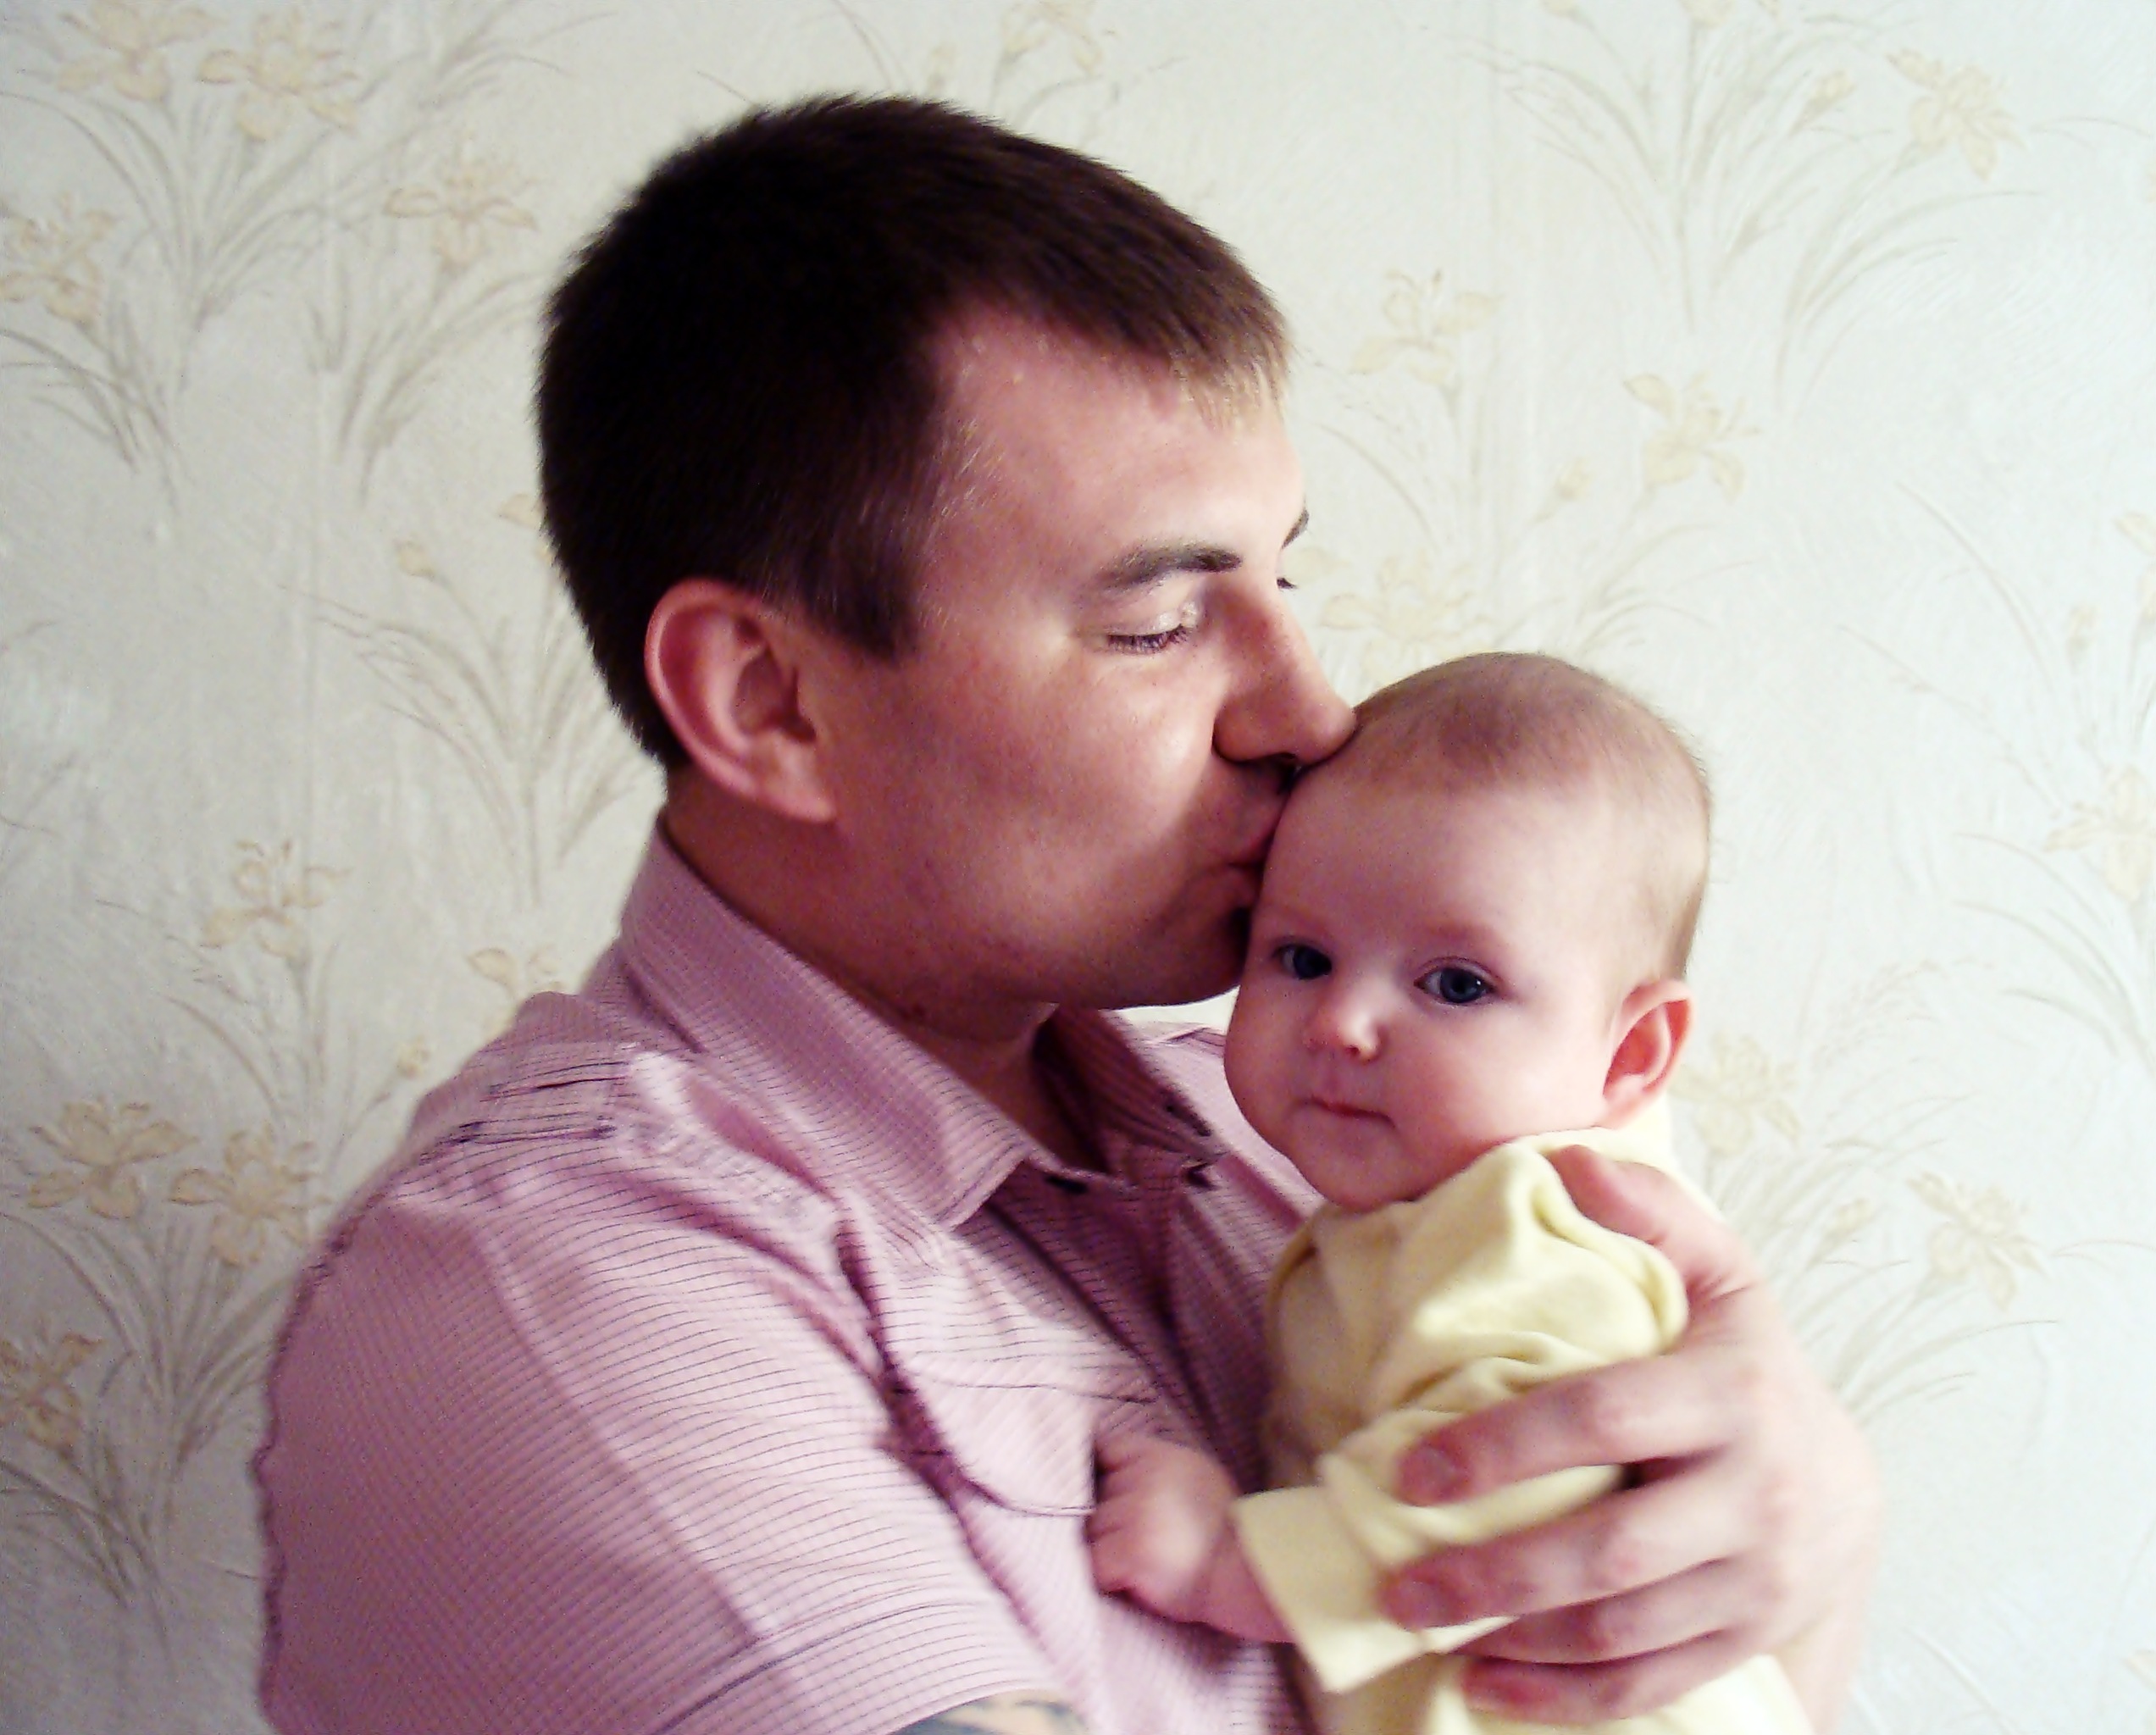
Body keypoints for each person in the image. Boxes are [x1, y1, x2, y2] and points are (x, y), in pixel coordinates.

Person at [252, 96, 1877, 1735]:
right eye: (1162, 622)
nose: (1309, 713)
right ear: (771, 702)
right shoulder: (568, 1299)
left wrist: (1807, 1544)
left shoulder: (1280, 1143)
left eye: (1283, 582)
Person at [1087, 652, 1812, 1734]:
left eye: (1457, 983)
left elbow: (1510, 1478)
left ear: (1630, 1053)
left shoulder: (1538, 1219)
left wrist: (1230, 1563)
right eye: (1300, 957)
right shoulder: (1421, 1204)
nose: (1342, 1022)